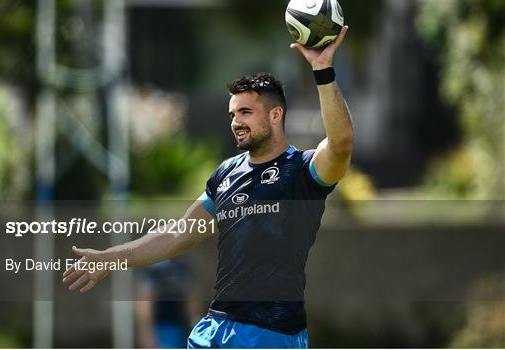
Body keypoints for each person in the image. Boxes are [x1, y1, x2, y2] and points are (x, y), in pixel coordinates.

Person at [63, 26, 353, 348]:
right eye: (232, 114)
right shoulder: (226, 173)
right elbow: (178, 234)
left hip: (270, 334)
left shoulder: (302, 171)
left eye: (245, 112)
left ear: (275, 115)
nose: (235, 122)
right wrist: (110, 257)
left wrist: (322, 70)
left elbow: (340, 145)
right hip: (214, 330)